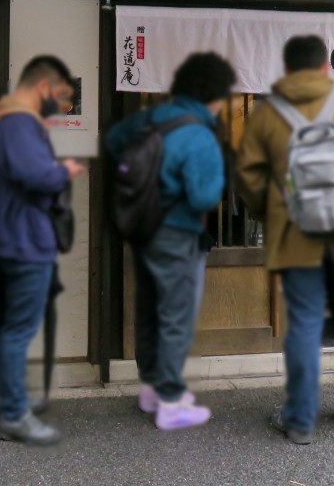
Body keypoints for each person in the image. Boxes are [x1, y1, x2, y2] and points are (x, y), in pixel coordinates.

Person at [237, 35, 334, 446]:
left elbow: (248, 177)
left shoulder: (268, 113)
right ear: (326, 67)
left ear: (286, 70)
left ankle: (301, 420)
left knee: (304, 322)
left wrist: (272, 213)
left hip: (296, 236)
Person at [106, 52, 236, 431]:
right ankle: (171, 402)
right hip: (178, 233)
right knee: (177, 315)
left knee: (149, 307)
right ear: (215, 95)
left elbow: (112, 140)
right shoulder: (199, 135)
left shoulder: (148, 118)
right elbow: (203, 197)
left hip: (143, 228)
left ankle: (150, 388)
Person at [0, 56, 85, 446]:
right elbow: (35, 176)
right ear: (43, 88)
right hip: (23, 239)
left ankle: (7, 398)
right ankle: (13, 413)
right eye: (60, 96)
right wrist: (64, 171)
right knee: (18, 327)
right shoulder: (20, 124)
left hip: (1, 236)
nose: (62, 105)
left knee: (4, 322)